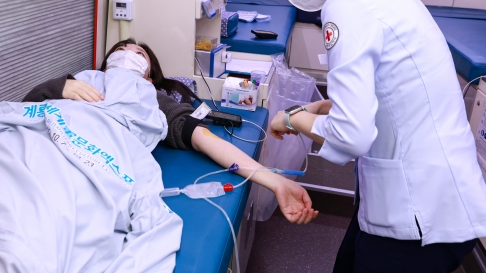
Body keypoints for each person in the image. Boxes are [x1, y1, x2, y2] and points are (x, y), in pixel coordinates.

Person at [262, 0, 486, 273]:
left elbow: (351, 135)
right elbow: (391, 95)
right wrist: (320, 108)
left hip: (417, 214)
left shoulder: (348, 4)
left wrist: (290, 118)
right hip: (432, 197)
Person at [24, 37, 318, 225]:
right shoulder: (82, 79)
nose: (126, 54)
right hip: (43, 137)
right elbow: (27, 106)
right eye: (120, 50)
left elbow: (204, 139)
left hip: (89, 154)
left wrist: (275, 182)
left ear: (149, 76)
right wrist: (61, 87)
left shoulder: (150, 96)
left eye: (138, 53)